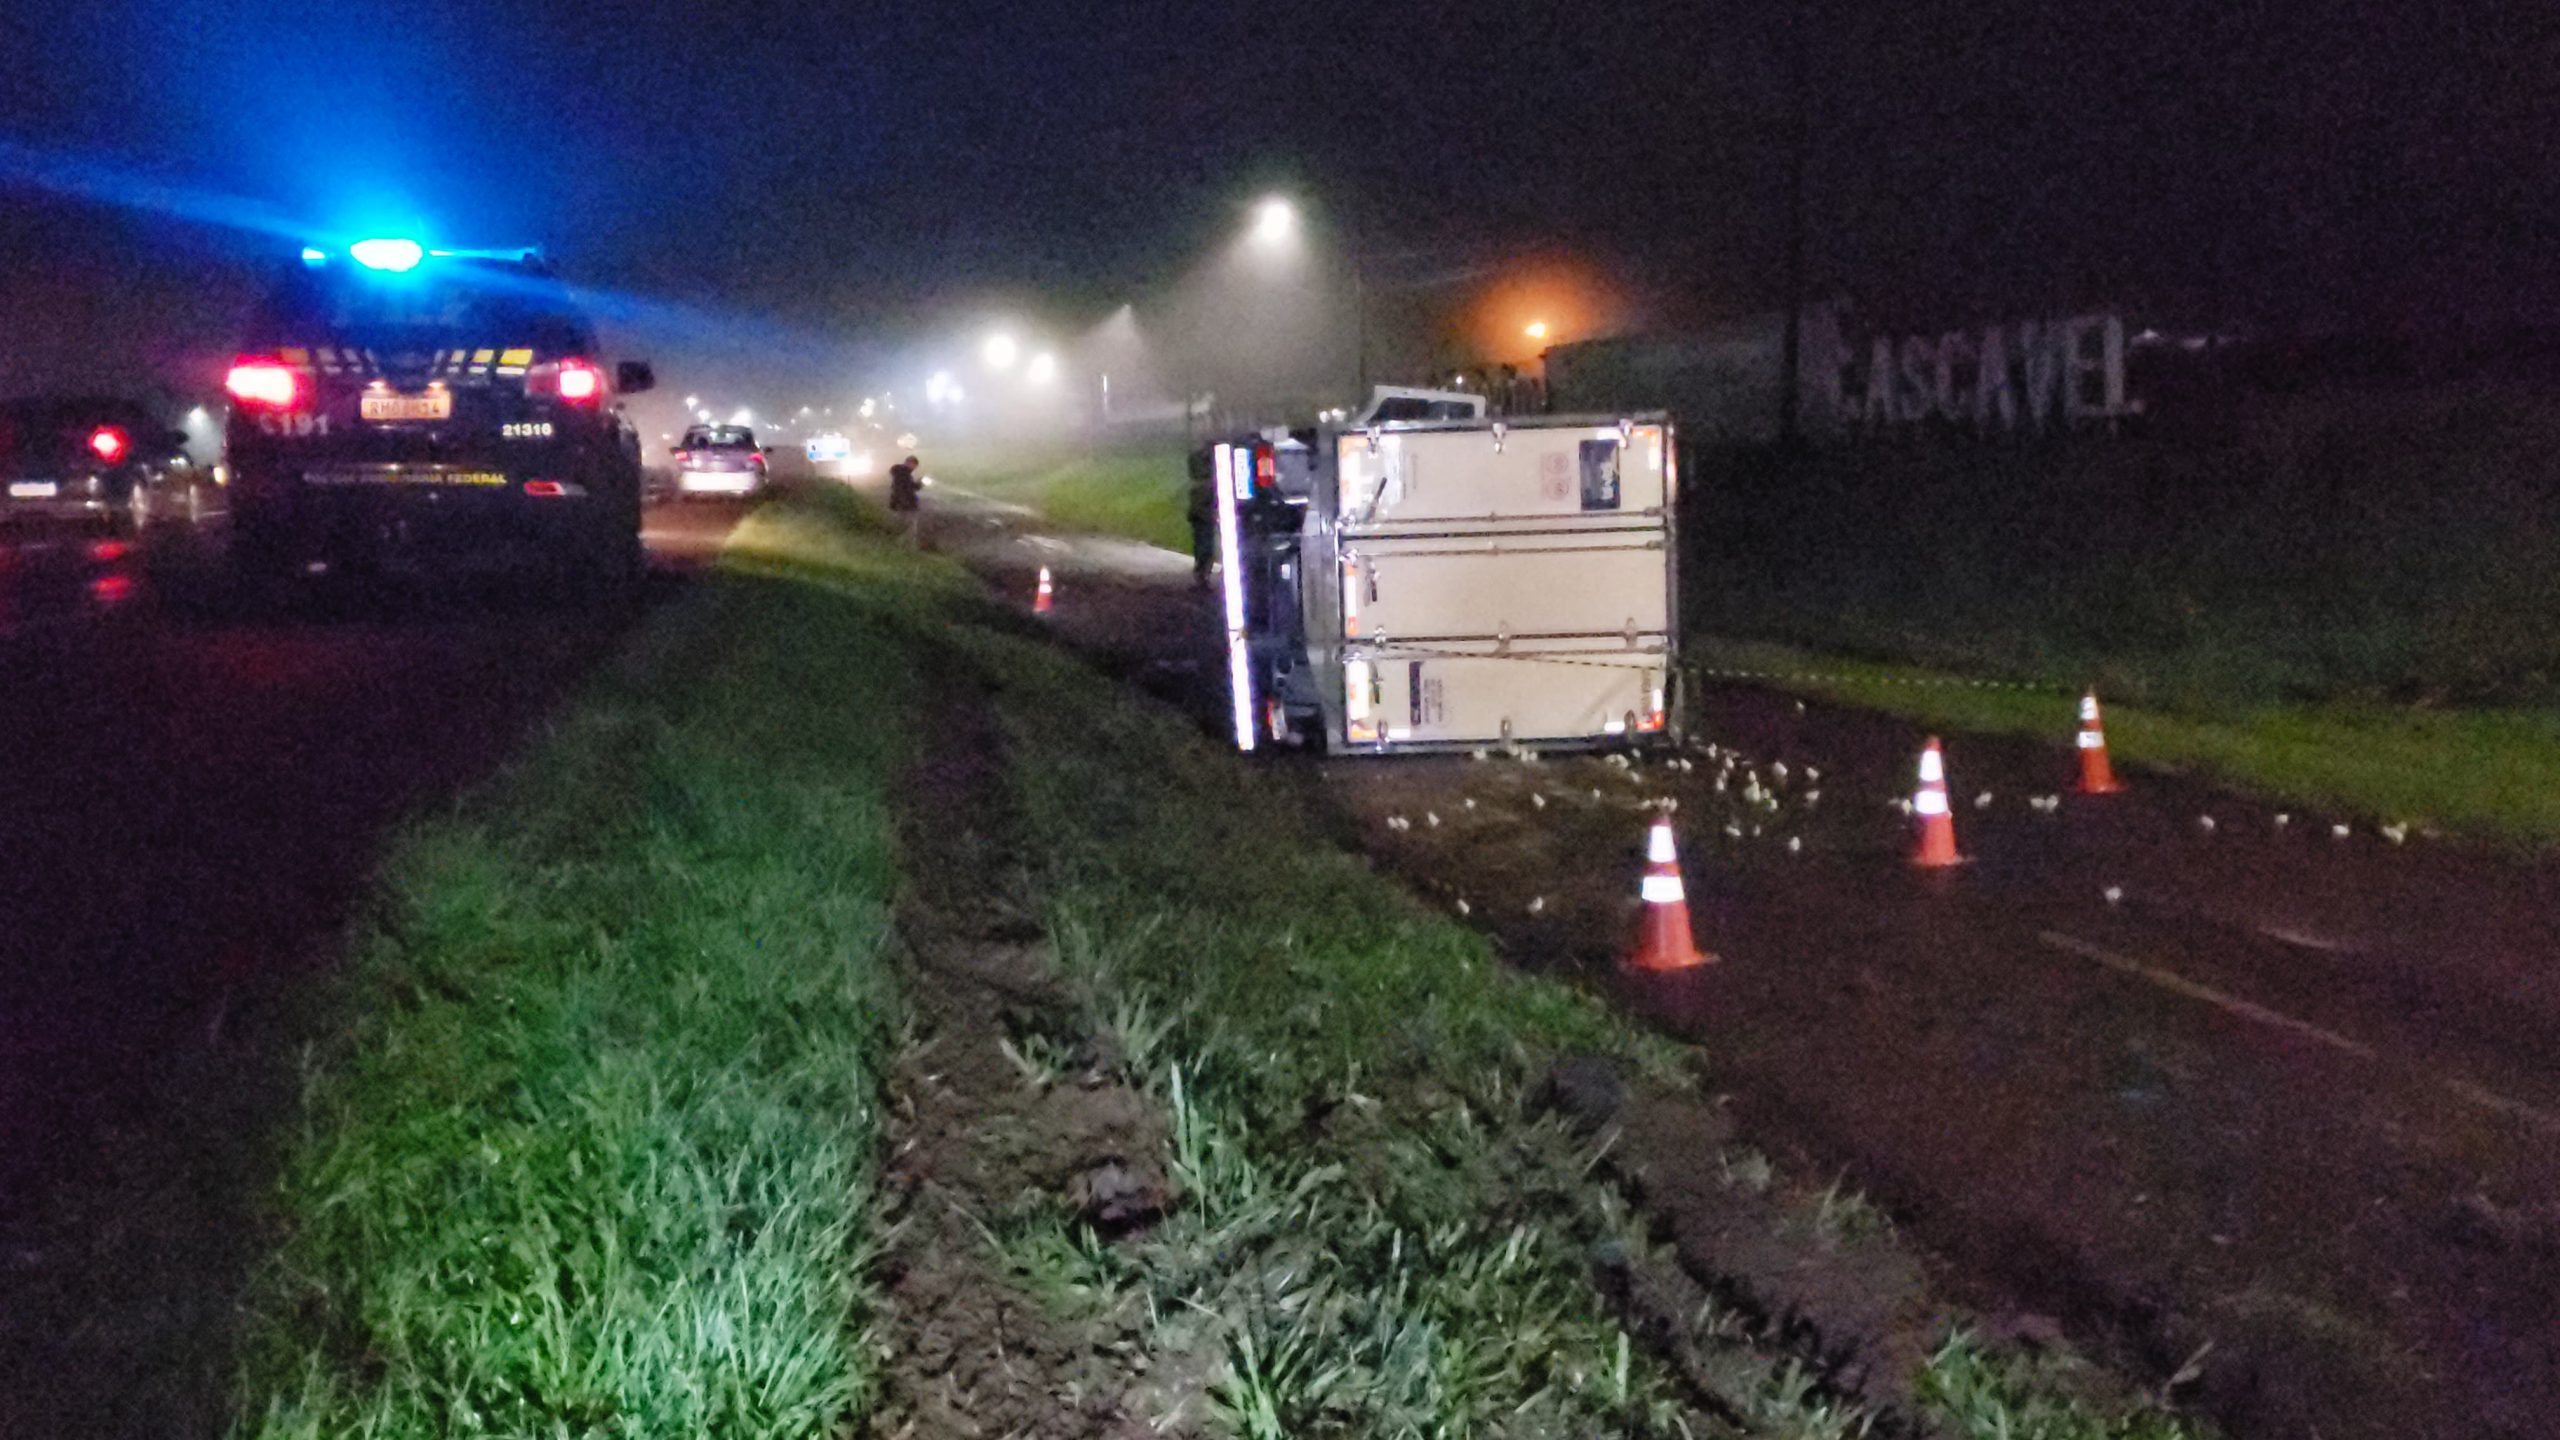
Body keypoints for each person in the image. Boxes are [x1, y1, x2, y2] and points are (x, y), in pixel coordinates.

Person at [1185, 444, 1218, 588]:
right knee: (1204, 546)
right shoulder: (1206, 486)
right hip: (1204, 519)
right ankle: (1202, 574)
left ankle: (1202, 574)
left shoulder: (1200, 486)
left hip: (1202, 519)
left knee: (1203, 546)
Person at [886, 453, 923, 546]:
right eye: (914, 465)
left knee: (900, 526)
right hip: (907, 505)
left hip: (900, 504)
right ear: (910, 463)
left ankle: (897, 545)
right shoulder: (904, 474)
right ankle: (908, 548)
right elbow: (907, 490)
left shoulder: (900, 473)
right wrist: (919, 484)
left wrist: (918, 484)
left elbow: (908, 487)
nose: (914, 468)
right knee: (910, 528)